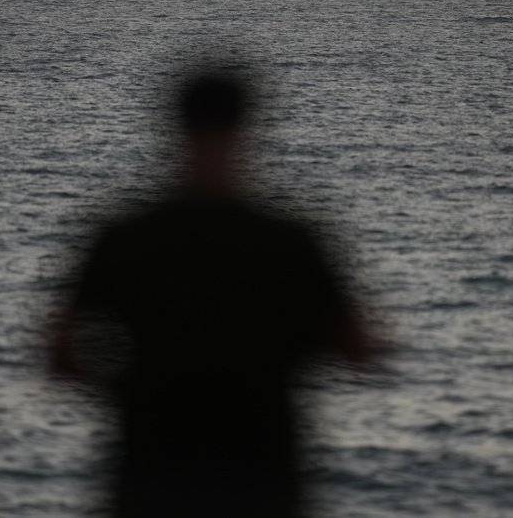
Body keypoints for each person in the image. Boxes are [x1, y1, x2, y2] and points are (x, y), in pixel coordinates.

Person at [48, 72, 374, 518]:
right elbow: (360, 350)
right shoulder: (289, 241)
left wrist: (128, 385)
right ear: (248, 128)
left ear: (175, 126)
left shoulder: (123, 238)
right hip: (262, 478)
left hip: (151, 476)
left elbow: (58, 354)